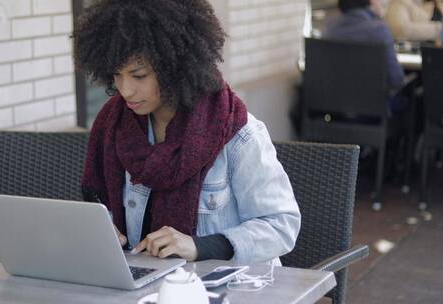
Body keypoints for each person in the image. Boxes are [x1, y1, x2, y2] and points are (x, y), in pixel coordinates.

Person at [74, 0, 300, 264]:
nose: (125, 90)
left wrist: (199, 246)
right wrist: (103, 229)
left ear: (175, 67)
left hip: (227, 289)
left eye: (139, 76)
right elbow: (104, 204)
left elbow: (282, 226)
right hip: (146, 285)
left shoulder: (237, 134)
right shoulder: (114, 126)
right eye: (117, 75)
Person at [324, 0, 406, 111]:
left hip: (334, 110)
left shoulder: (329, 31)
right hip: (374, 111)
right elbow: (396, 79)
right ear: (370, 2)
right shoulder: (380, 31)